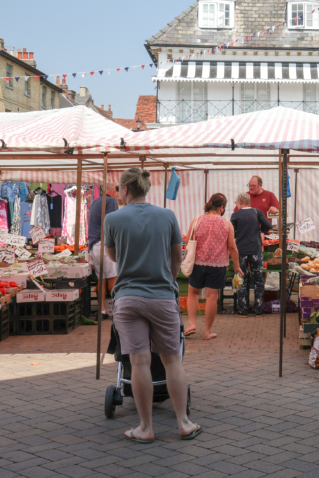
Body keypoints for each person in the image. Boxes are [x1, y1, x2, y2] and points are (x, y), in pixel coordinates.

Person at [103, 168, 200, 443]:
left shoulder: (113, 219)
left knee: (139, 361)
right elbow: (176, 258)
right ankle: (183, 422)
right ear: (146, 189)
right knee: (172, 360)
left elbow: (113, 256)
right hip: (162, 296)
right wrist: (165, 280)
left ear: (124, 190)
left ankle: (145, 428)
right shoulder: (167, 216)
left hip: (128, 298)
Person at [186, 193, 243, 339]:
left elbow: (189, 241)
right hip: (218, 265)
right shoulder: (226, 223)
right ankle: (207, 331)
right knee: (212, 297)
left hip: (198, 262)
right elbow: (232, 247)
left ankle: (191, 323)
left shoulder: (197, 220)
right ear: (222, 207)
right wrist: (237, 266)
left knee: (193, 292)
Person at [230, 191, 271, 316]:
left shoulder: (235, 215)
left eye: (237, 202)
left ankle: (243, 309)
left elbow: (232, 233)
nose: (236, 205)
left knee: (242, 278)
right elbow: (268, 225)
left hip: (241, 250)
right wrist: (259, 228)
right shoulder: (256, 212)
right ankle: (258, 308)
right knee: (258, 280)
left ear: (240, 202)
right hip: (255, 250)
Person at [88, 184, 119, 316]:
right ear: (111, 190)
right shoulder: (111, 201)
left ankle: (101, 310)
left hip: (94, 244)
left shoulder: (96, 201)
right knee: (113, 278)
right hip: (104, 243)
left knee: (102, 278)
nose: (118, 192)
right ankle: (117, 310)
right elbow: (112, 222)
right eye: (116, 189)